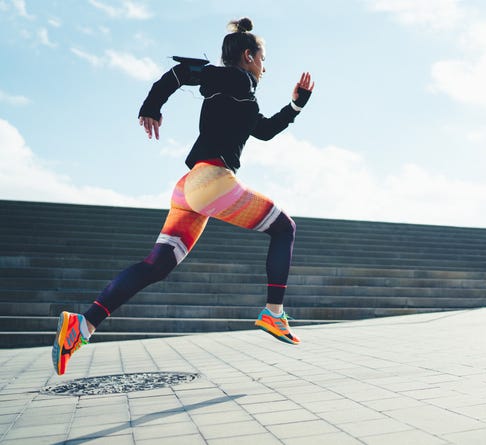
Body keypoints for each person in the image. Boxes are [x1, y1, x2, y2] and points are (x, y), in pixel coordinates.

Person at [52, 17, 314, 376]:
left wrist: (296, 106)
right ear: (250, 56)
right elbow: (182, 73)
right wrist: (151, 105)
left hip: (190, 187)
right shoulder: (236, 79)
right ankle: (274, 313)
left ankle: (82, 326)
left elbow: (265, 131)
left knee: (156, 266)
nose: (266, 67)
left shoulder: (241, 96)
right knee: (284, 229)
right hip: (212, 181)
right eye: (264, 58)